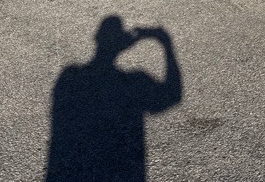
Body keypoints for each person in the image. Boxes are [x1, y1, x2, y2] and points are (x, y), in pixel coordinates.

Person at [44, 16, 182, 182]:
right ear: (125, 45)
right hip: (124, 172)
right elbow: (173, 94)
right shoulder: (135, 83)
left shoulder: (69, 77)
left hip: (71, 173)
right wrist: (166, 43)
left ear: (96, 39)